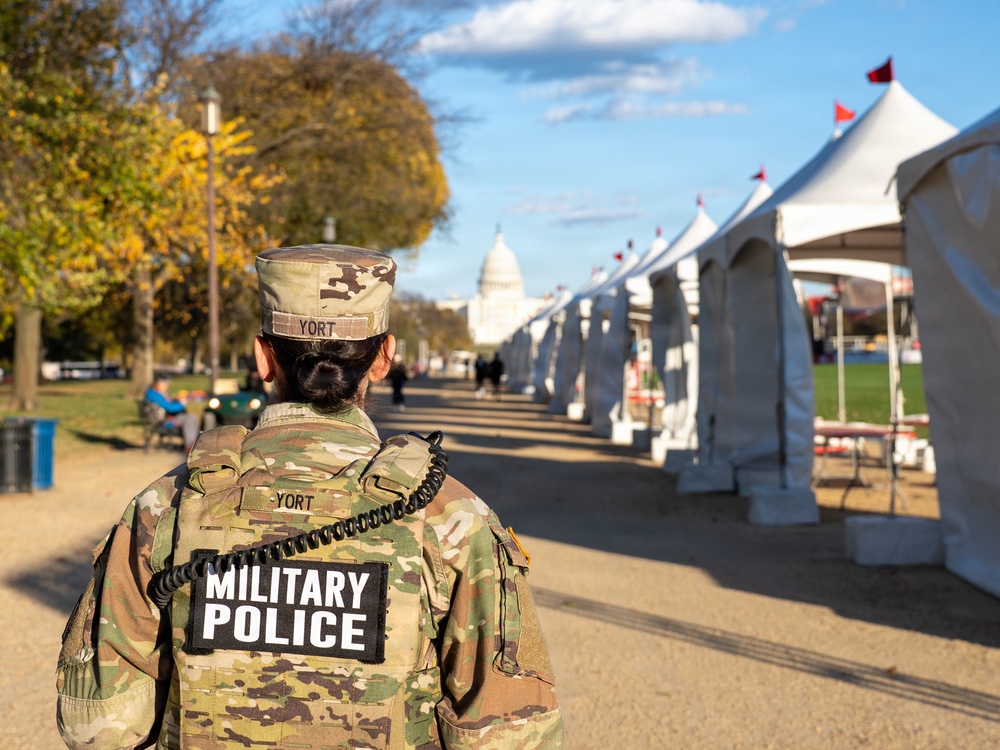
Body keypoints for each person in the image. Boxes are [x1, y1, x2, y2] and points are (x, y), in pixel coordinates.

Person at [56, 244, 563, 750]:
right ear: (384, 357)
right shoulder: (449, 517)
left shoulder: (165, 505)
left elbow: (96, 728)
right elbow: (513, 734)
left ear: (262, 356)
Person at [144, 373, 201, 451]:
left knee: (190, 416)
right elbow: (170, 408)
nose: (168, 386)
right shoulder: (155, 394)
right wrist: (182, 403)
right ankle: (190, 445)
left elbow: (167, 404)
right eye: (167, 384)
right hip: (163, 422)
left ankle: (195, 443)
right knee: (190, 418)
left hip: (162, 419)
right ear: (161, 383)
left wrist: (176, 401)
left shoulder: (153, 392)